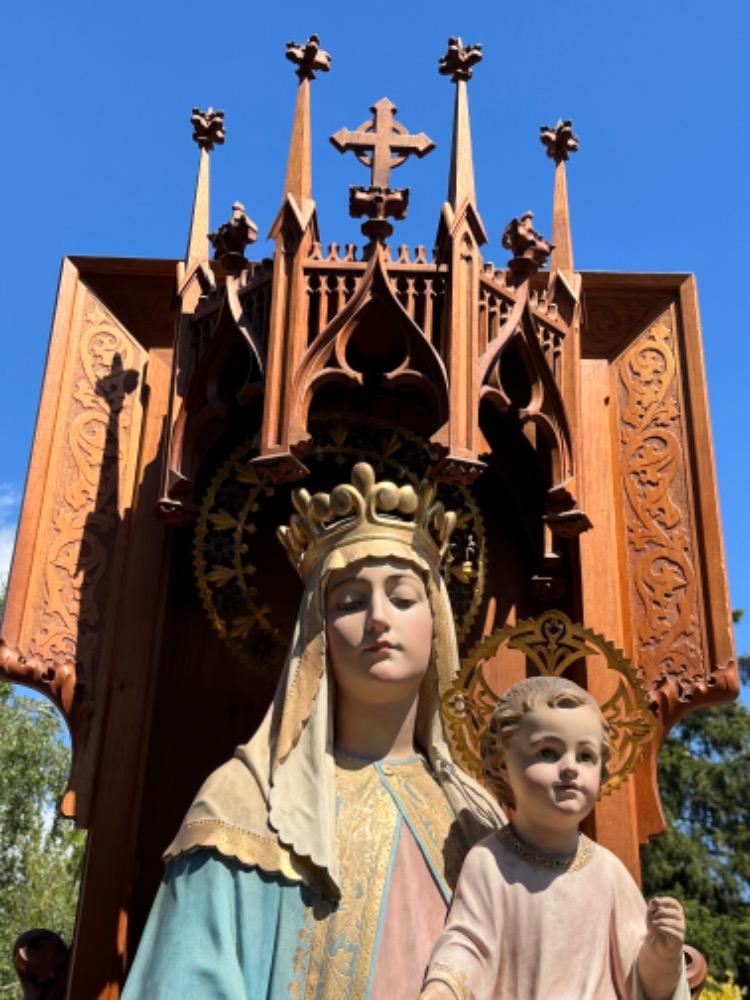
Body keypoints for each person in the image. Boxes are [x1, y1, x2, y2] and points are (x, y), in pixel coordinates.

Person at [122, 462, 504, 999]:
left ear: (436, 621)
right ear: (317, 633)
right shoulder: (246, 804)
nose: (377, 618)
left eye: (402, 596)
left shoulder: (477, 816)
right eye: (349, 602)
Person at [420, 676, 690, 1000]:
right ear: (502, 763)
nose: (570, 768)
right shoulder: (490, 862)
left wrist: (663, 954)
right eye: (548, 752)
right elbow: (468, 944)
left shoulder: (608, 874)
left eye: (586, 756)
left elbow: (641, 981)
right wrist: (444, 987)